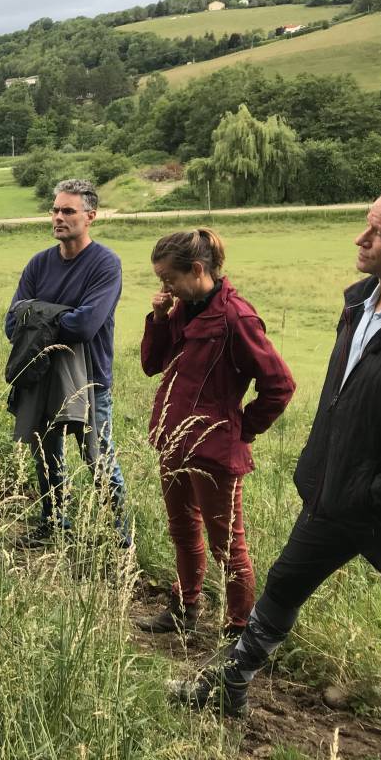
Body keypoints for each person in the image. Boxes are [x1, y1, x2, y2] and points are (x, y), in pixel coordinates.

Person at [172, 188, 381, 760]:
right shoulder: (362, 304)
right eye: (366, 226)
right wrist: (316, 471)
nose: (361, 239)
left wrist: (374, 493)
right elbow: (339, 401)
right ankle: (228, 685)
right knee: (286, 582)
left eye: (379, 232)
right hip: (335, 494)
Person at [136, 229, 295, 638]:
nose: (164, 287)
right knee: (182, 530)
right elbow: (152, 365)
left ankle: (238, 631)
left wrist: (241, 429)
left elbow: (279, 385)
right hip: (173, 440)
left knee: (228, 547)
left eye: (169, 278)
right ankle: (185, 609)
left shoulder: (235, 316)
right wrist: (157, 318)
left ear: (197, 269)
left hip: (214, 451)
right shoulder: (183, 309)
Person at [5, 179, 129, 546]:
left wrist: (39, 315)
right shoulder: (39, 264)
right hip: (39, 373)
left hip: (89, 380)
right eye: (55, 210)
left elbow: (86, 325)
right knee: (45, 455)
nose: (58, 217)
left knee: (98, 459)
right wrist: (60, 315)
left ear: (90, 216)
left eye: (68, 211)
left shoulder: (105, 264)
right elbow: (13, 323)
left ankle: (121, 539)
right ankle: (54, 524)